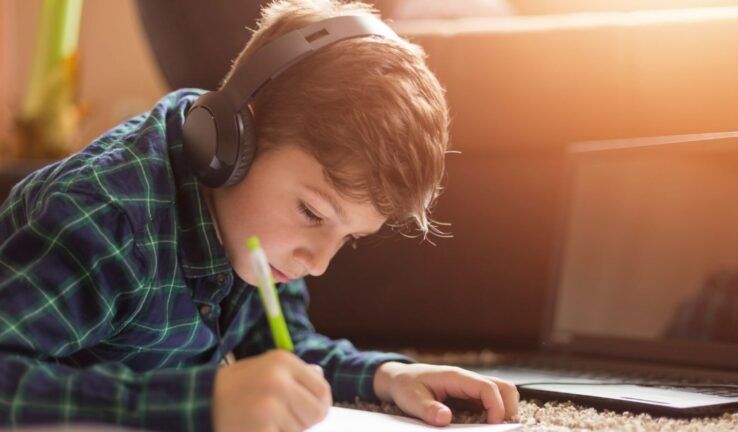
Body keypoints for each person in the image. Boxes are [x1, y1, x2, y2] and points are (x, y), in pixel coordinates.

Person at [0, 1, 518, 431]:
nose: (318, 263)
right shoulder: (102, 221)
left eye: (349, 237)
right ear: (230, 140)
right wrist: (202, 405)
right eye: (313, 212)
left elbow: (282, 349)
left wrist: (388, 376)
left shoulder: (257, 232)